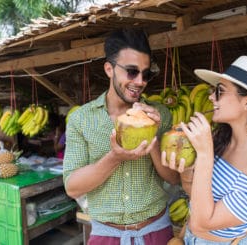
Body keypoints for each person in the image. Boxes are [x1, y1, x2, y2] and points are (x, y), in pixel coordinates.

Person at [162, 55, 247, 244]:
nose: (211, 97)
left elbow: (203, 222)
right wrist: (187, 168)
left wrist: (204, 155)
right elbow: (193, 193)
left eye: (220, 91)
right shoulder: (221, 142)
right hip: (188, 237)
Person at [63, 28, 180, 245]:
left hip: (157, 231)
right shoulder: (82, 119)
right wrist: (115, 157)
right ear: (109, 69)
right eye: (131, 71)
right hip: (106, 235)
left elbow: (173, 178)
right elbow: (72, 186)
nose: (140, 81)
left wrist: (152, 137)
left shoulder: (160, 114)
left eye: (146, 74)